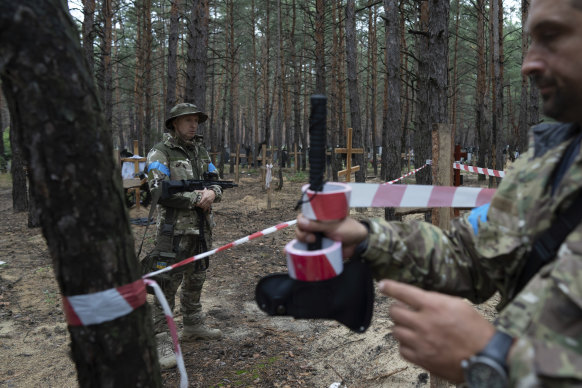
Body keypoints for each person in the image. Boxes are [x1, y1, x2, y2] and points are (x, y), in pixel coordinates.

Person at [296, 0, 582, 386]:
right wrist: (366, 239)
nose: (528, 63)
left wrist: (496, 361)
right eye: (530, 41)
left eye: (551, 36)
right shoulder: (550, 159)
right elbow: (470, 258)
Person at [146, 102, 223, 369]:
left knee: (197, 277)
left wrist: (212, 193)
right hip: (173, 231)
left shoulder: (200, 151)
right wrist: (194, 198)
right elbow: (158, 189)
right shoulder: (160, 152)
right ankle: (160, 339)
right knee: (166, 284)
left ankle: (193, 323)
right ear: (174, 124)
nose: (193, 125)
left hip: (201, 228)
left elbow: (215, 179)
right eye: (188, 120)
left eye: (196, 121)